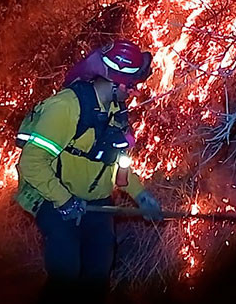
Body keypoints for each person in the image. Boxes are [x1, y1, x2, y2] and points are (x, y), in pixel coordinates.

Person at [14, 39, 162, 300]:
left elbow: (120, 167)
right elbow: (32, 163)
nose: (134, 91)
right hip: (56, 199)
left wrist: (141, 196)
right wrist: (65, 201)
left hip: (97, 204)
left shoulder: (118, 112)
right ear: (115, 82)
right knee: (66, 273)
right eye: (131, 85)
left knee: (97, 275)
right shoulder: (67, 108)